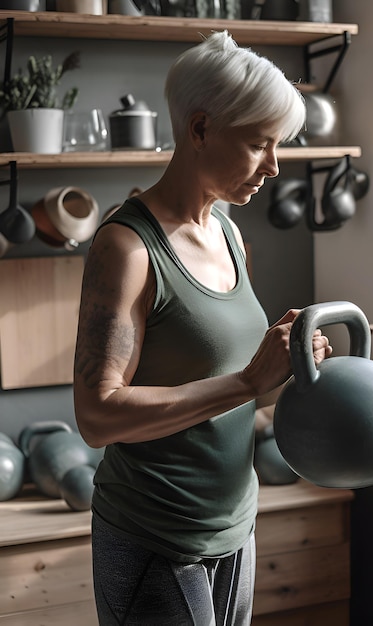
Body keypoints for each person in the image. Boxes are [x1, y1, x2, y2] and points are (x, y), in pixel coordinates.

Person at [73, 30, 332, 626]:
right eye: (259, 144)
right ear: (199, 129)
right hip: (155, 539)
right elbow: (97, 415)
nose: (273, 166)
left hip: (234, 530)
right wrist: (247, 382)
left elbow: (217, 372)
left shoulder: (229, 235)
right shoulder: (128, 247)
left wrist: (284, 361)